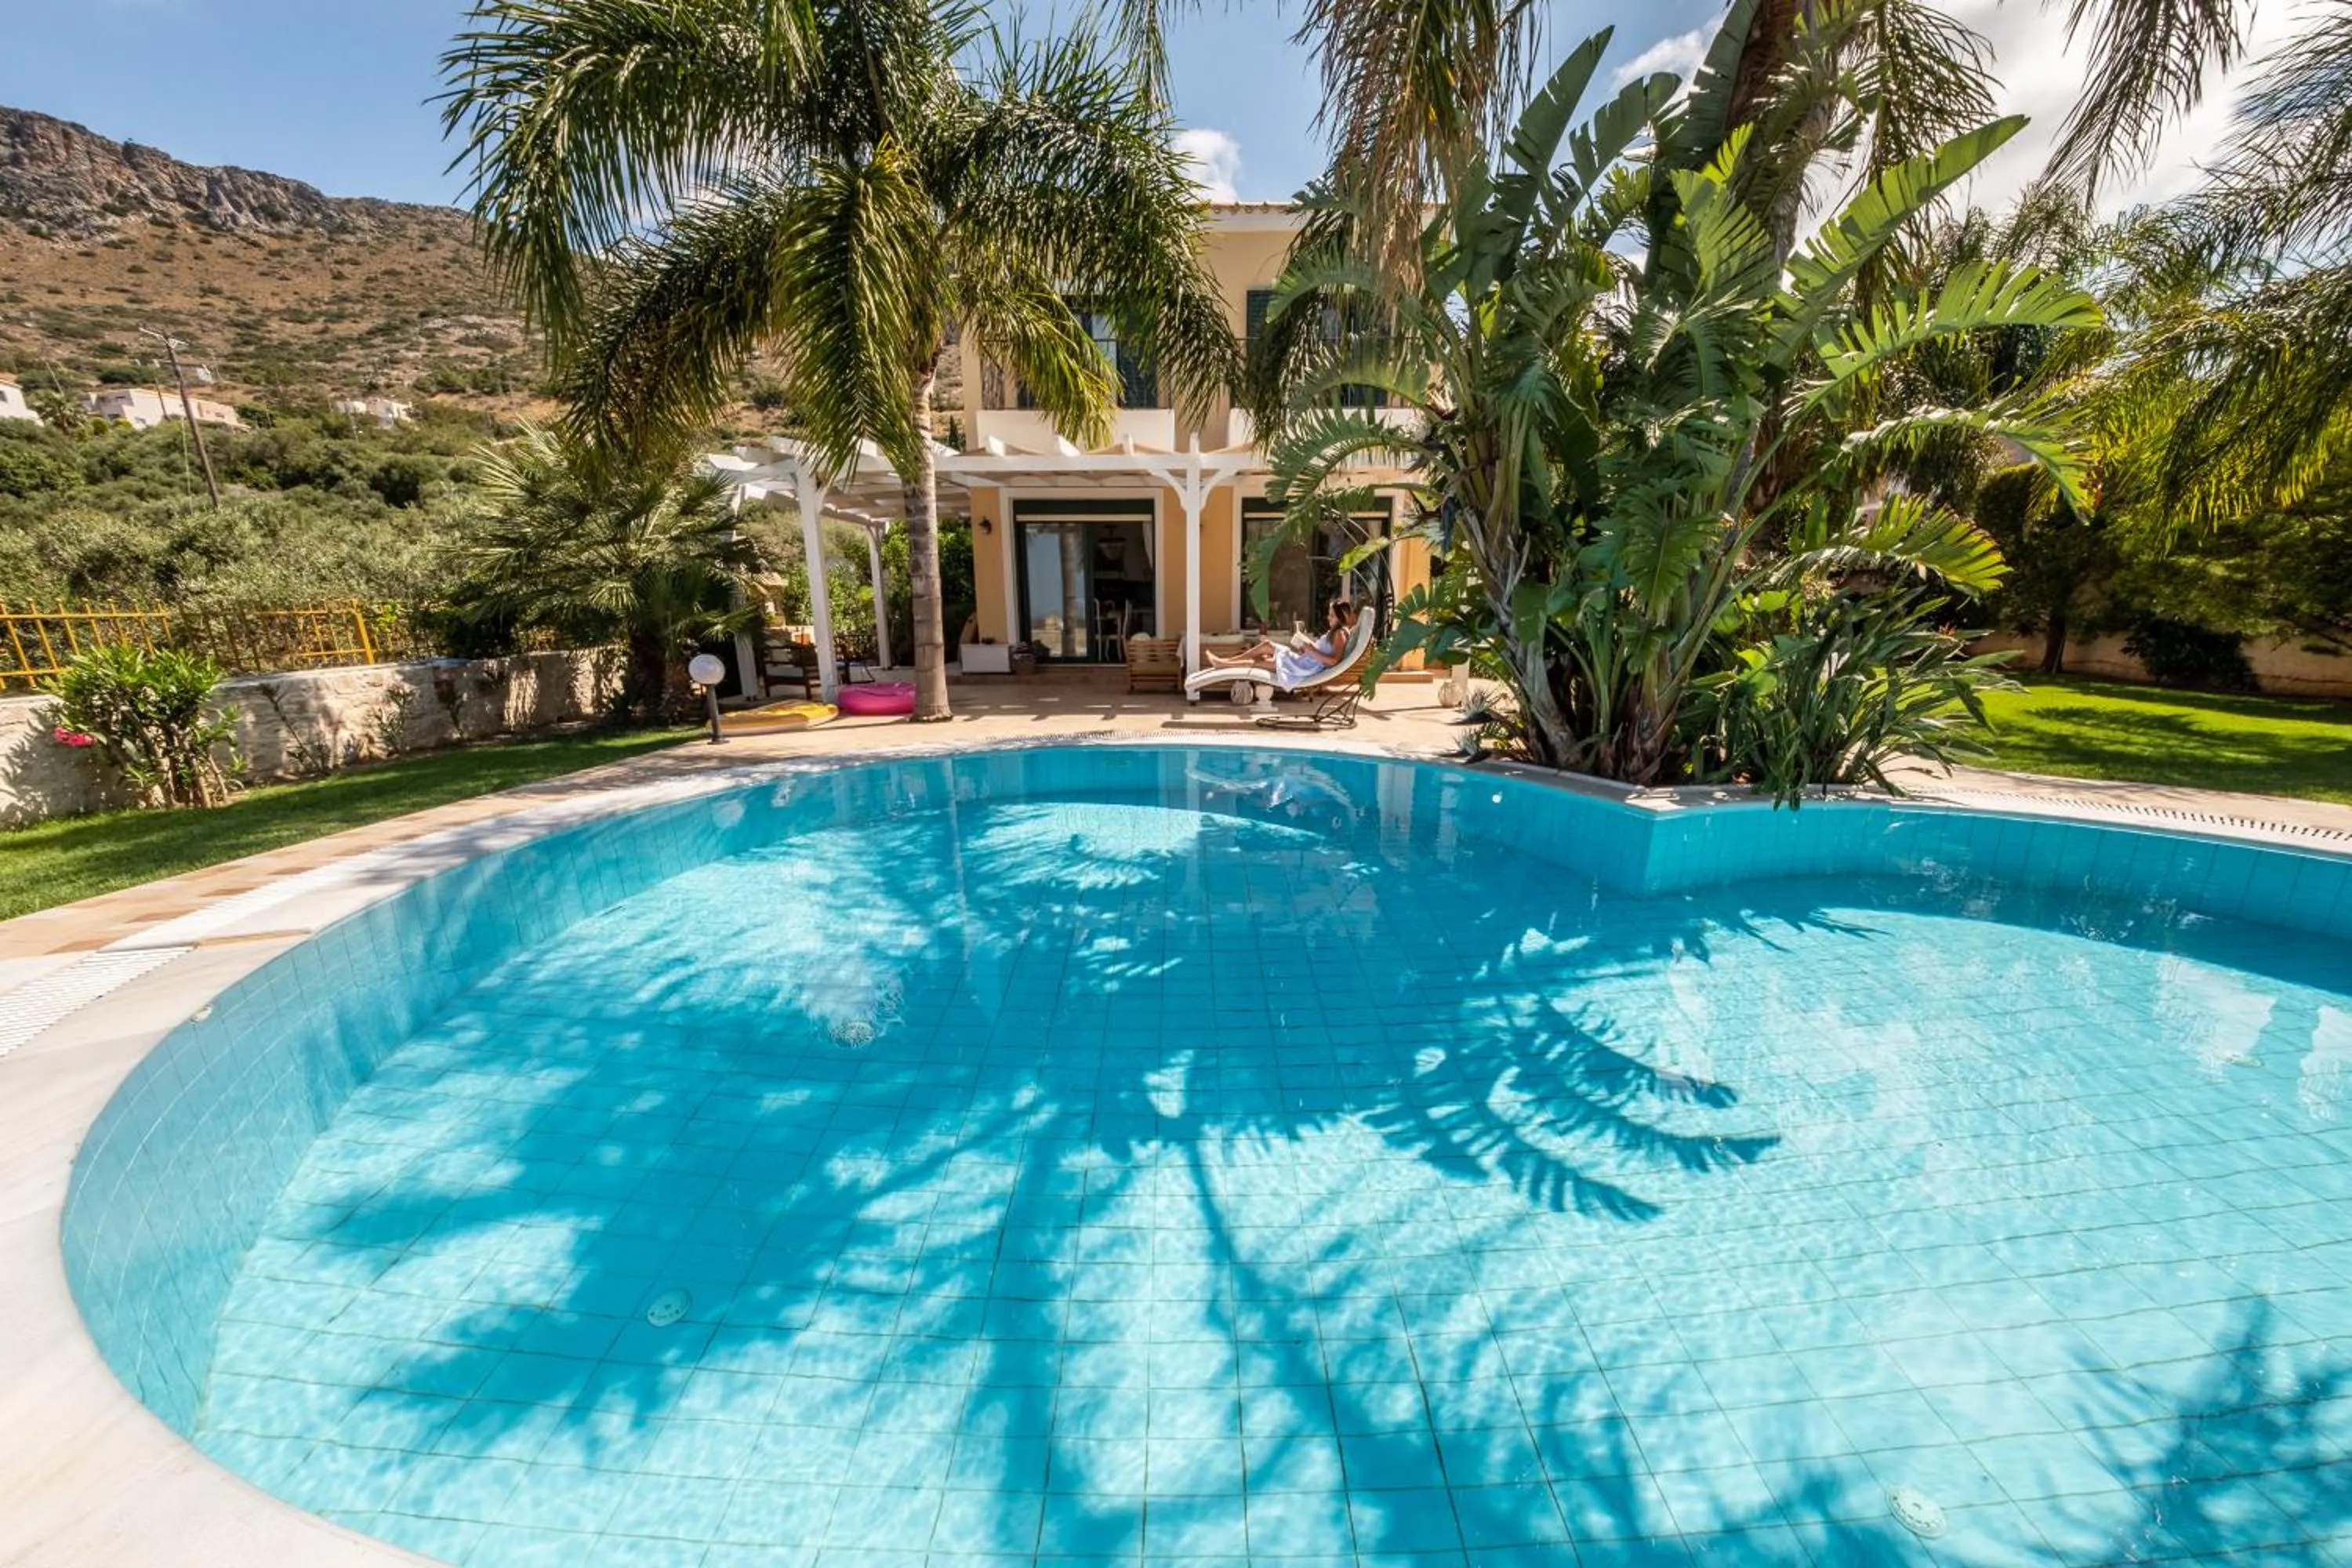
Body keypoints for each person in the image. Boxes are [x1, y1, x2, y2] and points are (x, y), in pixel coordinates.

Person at [1207, 597, 1357, 685]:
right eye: (1329, 614)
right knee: (1266, 647)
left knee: (1260, 662)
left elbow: (1334, 661)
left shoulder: (1340, 634)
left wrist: (1311, 650)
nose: (1328, 618)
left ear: (1341, 616)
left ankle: (1222, 664)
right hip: (1304, 661)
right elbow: (1324, 655)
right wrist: (1306, 649)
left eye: (1332, 615)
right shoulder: (1335, 633)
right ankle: (1225, 661)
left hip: (1303, 667)